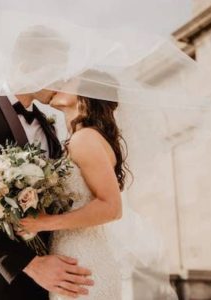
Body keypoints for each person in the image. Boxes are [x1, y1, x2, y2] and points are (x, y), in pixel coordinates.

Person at [0, 26, 94, 300]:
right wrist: (30, 265)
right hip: (2, 280)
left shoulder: (50, 129)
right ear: (27, 66)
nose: (60, 82)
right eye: (55, 72)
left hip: (55, 280)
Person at [19, 84, 126, 300]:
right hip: (71, 256)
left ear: (87, 94)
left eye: (68, 81)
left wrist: (43, 222)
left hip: (83, 260)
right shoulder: (79, 138)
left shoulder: (85, 138)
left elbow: (111, 207)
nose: (57, 83)